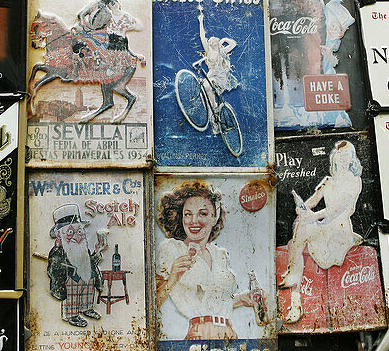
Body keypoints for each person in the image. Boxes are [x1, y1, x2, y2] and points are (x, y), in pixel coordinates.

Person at [155, 181, 264, 340]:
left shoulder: (219, 254)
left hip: (229, 332)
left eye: (203, 214)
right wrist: (172, 278)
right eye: (188, 214)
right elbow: (151, 305)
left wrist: (241, 299)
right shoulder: (171, 249)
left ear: (215, 217)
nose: (193, 221)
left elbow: (212, 302)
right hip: (200, 333)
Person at [280, 140, 363, 323]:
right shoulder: (328, 181)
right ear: (335, 158)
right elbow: (312, 202)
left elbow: (337, 210)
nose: (343, 159)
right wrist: (303, 209)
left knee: (301, 231)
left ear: (352, 159)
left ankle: (294, 287)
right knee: (300, 226)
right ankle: (295, 301)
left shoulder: (354, 182)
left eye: (347, 155)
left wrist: (312, 217)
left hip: (339, 232)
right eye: (340, 155)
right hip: (324, 228)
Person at [47, 204, 105, 328]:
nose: (77, 236)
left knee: (88, 290)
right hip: (71, 279)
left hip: (87, 276)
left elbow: (91, 261)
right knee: (72, 295)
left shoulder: (84, 248)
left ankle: (87, 308)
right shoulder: (58, 251)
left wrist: (97, 252)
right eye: (70, 232)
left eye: (79, 231)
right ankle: (71, 315)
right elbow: (55, 268)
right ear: (59, 235)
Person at [193, 3, 238, 114]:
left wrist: (223, 40)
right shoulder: (208, 51)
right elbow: (202, 36)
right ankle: (212, 110)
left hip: (219, 79)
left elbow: (233, 44)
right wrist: (201, 22)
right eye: (210, 40)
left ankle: (214, 108)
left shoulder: (221, 52)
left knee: (206, 85)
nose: (211, 41)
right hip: (212, 77)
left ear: (217, 43)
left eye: (214, 41)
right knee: (205, 91)